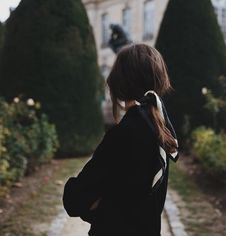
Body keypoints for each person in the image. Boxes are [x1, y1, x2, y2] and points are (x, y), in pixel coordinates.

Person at [62, 43, 179, 236]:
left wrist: (100, 204)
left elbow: (75, 199)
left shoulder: (124, 134)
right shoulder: (162, 130)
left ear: (119, 82)